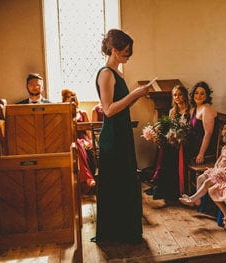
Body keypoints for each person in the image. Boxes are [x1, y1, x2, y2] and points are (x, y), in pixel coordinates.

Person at [93, 29, 150, 243]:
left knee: (126, 181)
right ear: (114, 50)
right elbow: (108, 110)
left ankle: (125, 230)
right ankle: (114, 233)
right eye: (126, 52)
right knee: (116, 183)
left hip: (122, 131)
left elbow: (121, 106)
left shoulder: (117, 73)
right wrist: (134, 94)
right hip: (113, 135)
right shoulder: (106, 73)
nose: (128, 56)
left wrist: (136, 96)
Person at [147, 85, 191, 201]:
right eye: (175, 95)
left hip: (185, 141)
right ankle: (163, 187)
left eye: (180, 94)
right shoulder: (172, 111)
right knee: (164, 148)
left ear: (185, 95)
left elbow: (188, 128)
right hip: (174, 140)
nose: (177, 97)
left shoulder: (190, 110)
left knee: (167, 150)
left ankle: (170, 188)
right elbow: (170, 127)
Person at [180, 124, 226, 206]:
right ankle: (197, 201)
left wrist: (223, 170)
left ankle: (192, 199)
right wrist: (216, 167)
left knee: (207, 182)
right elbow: (219, 159)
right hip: (218, 170)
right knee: (200, 178)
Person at [63, 89, 96, 193]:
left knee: (78, 144)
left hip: (82, 137)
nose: (71, 98)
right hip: (69, 138)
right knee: (75, 144)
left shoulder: (82, 112)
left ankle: (87, 179)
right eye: (68, 96)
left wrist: (90, 141)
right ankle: (87, 178)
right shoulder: (62, 113)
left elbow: (88, 129)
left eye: (73, 96)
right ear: (64, 99)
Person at [189, 82, 217, 166]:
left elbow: (208, 133)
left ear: (206, 96)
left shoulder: (206, 109)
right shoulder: (194, 109)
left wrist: (201, 154)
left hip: (204, 148)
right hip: (194, 144)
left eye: (202, 94)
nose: (198, 96)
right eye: (196, 93)